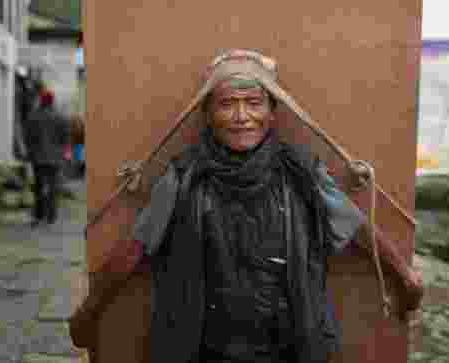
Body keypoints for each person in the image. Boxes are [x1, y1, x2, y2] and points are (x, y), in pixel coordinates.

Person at [69, 49, 425, 363]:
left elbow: (356, 226)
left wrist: (403, 275)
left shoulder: (301, 172)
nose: (242, 117)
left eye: (254, 103)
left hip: (289, 344)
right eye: (227, 104)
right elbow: (135, 247)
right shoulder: (184, 176)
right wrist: (90, 310)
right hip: (204, 348)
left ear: (273, 112)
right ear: (208, 114)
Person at [25, 89, 69, 226]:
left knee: (38, 186)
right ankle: (51, 216)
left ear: (42, 100)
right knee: (53, 187)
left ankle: (39, 215)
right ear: (52, 101)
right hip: (55, 158)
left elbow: (28, 137)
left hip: (38, 158)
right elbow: (65, 137)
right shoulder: (60, 116)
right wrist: (64, 152)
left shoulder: (33, 116)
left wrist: (30, 152)